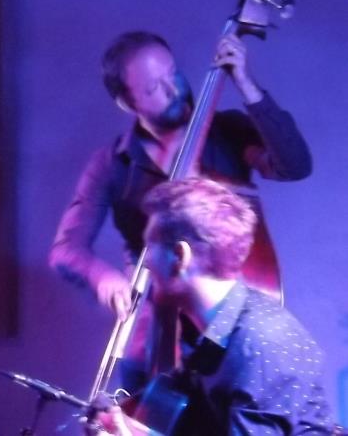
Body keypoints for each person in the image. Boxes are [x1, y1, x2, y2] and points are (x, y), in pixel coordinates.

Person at [48, 31, 312, 384]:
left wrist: (246, 85)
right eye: (152, 89)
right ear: (127, 103)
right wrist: (104, 280)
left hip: (233, 316)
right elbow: (66, 250)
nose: (173, 90)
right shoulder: (111, 164)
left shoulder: (227, 131)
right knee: (140, 397)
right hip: (158, 325)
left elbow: (294, 166)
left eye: (172, 73)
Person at [83, 178, 334, 435]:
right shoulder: (210, 331)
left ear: (180, 257)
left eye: (150, 246)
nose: (145, 262)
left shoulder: (261, 345)